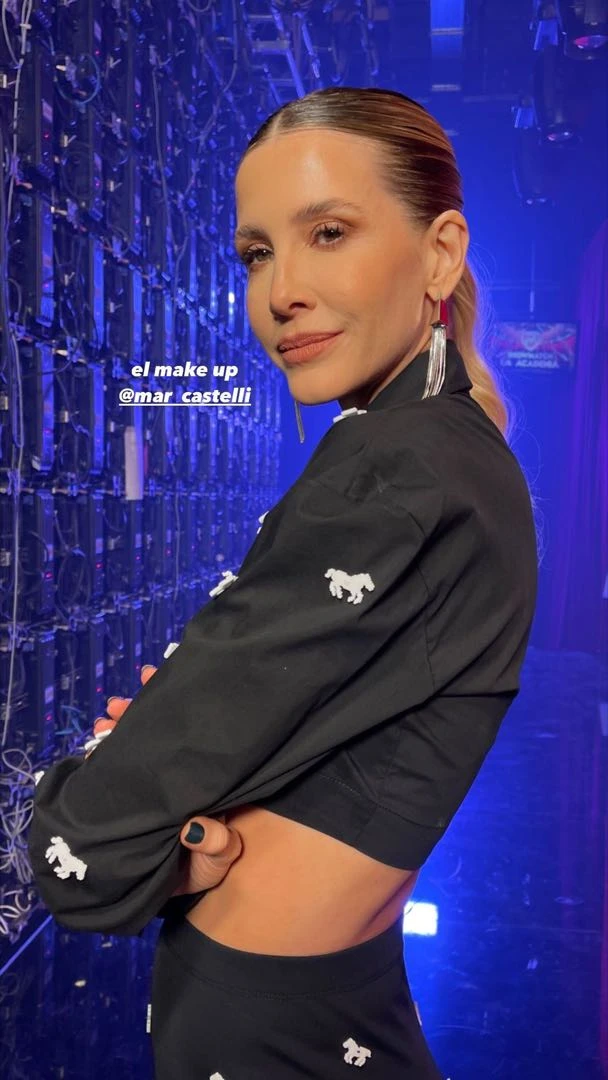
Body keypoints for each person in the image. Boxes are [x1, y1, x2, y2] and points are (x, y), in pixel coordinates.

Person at [27, 87, 538, 1078]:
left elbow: (81, 851)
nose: (280, 291)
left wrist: (137, 793)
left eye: (328, 233)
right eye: (257, 253)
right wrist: (198, 750)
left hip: (266, 1026)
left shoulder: (397, 467)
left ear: (440, 253)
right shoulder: (443, 449)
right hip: (323, 992)